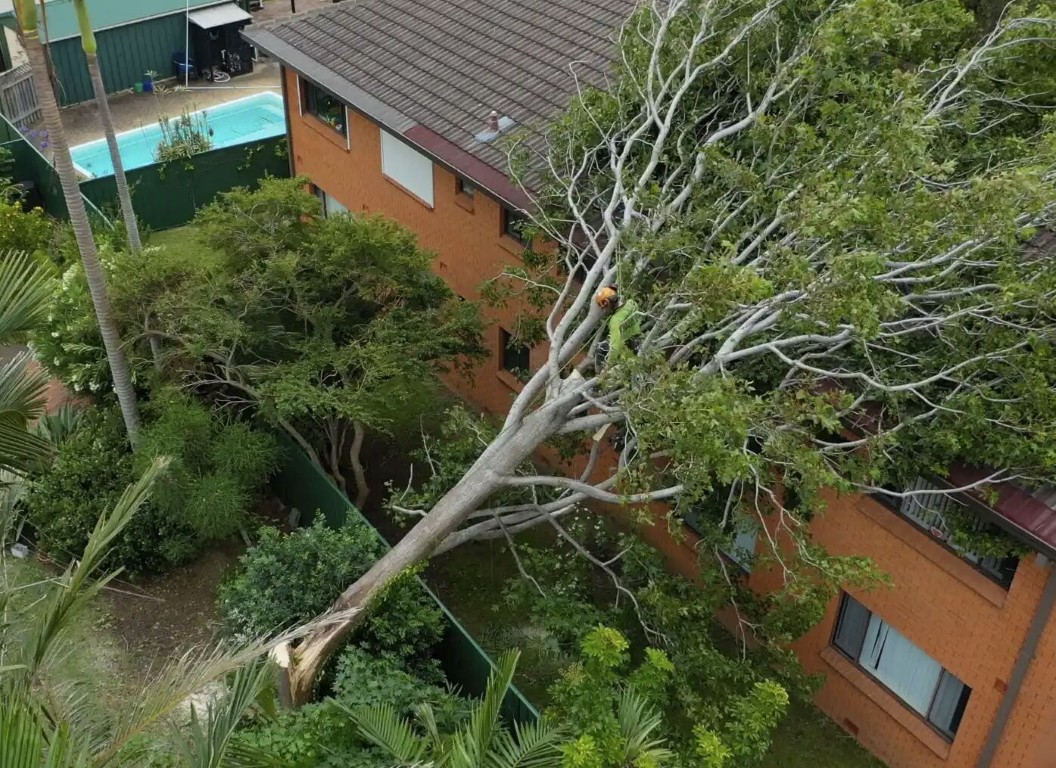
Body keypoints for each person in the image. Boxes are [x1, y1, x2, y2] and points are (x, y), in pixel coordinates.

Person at [594, 285, 641, 368]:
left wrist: (607, 368)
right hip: (637, 341)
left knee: (600, 348)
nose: (603, 310)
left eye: (603, 307)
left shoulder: (615, 320)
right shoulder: (632, 303)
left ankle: (600, 373)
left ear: (607, 304)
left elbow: (614, 348)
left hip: (625, 346)